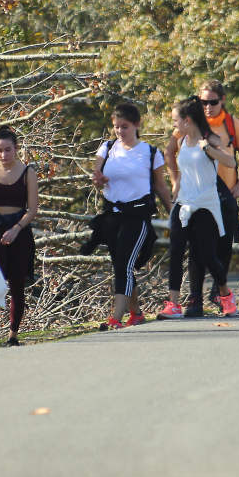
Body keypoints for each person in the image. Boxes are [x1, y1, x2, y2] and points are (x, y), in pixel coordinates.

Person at [162, 79, 239, 312]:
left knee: (208, 254)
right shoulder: (181, 135)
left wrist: (209, 150)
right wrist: (175, 183)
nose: (208, 106)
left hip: (210, 200)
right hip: (185, 200)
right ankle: (175, 303)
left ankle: (223, 293)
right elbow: (171, 155)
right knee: (175, 251)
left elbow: (233, 160)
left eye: (212, 101)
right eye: (203, 101)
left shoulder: (222, 131)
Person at [91, 103, 173, 330]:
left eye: (124, 127)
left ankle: (115, 318)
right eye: (116, 127)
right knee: (121, 265)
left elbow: (161, 187)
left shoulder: (150, 153)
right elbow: (96, 178)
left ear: (136, 125)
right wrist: (98, 181)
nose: (119, 131)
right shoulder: (106, 148)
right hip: (112, 215)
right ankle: (136, 313)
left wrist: (173, 213)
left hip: (137, 215)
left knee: (124, 265)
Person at [0, 127, 40, 349]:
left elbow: (32, 209)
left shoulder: (28, 173)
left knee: (16, 284)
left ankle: (13, 335)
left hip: (19, 230)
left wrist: (16, 229)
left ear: (16, 149)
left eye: (8, 150)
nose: (3, 155)